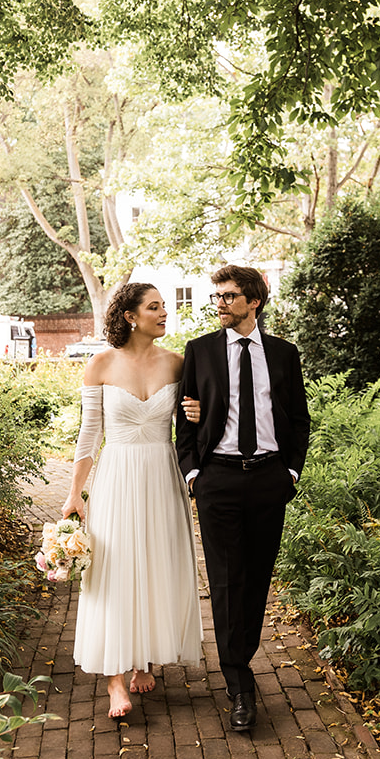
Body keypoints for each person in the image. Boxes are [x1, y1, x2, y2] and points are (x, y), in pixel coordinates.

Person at [175, 264, 310, 733]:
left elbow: (298, 418)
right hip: (219, 479)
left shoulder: (284, 354)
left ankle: (240, 660)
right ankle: (239, 683)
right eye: (217, 296)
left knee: (255, 579)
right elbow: (184, 420)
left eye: (230, 295)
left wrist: (290, 472)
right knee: (226, 580)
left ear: (254, 301)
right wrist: (194, 474)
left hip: (270, 478)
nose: (220, 303)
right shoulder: (200, 351)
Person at [62, 283, 202, 720]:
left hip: (163, 474)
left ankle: (144, 659)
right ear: (130, 316)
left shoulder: (177, 362)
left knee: (157, 564)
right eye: (154, 307)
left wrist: (200, 413)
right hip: (117, 475)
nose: (164, 313)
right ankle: (115, 680)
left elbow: (194, 424)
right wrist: (74, 493)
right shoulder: (101, 363)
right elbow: (89, 434)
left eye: (164, 306)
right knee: (114, 570)